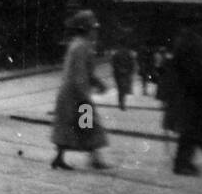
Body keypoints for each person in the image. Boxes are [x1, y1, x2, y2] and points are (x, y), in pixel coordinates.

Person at [51, 11, 110, 171]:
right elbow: (79, 75)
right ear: (87, 30)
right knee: (88, 125)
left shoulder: (80, 45)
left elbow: (86, 72)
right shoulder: (81, 46)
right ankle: (94, 159)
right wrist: (85, 96)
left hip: (71, 94)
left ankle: (59, 158)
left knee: (77, 126)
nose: (95, 32)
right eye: (93, 29)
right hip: (76, 95)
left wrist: (98, 83)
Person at [162, 24, 202, 176]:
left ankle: (189, 159)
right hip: (195, 95)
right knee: (193, 129)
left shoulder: (184, 48)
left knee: (192, 128)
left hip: (188, 95)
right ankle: (184, 163)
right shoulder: (198, 48)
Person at [110, 44, 137, 111]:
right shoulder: (129, 54)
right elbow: (132, 64)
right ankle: (122, 103)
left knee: (121, 89)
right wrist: (130, 71)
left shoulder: (117, 54)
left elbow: (113, 63)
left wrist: (118, 69)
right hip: (125, 74)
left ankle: (121, 103)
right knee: (123, 89)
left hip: (119, 74)